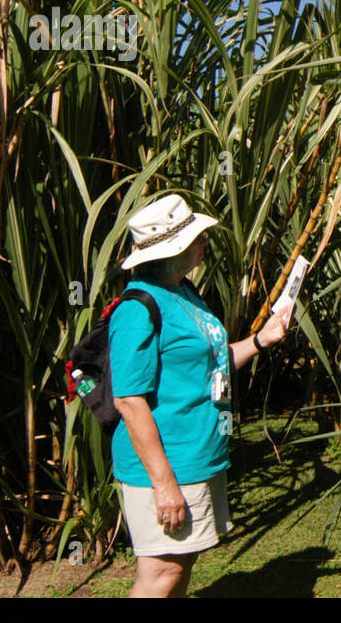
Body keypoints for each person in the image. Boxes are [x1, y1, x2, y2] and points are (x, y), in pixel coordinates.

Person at [110, 193, 291, 597]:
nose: (204, 242)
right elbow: (128, 400)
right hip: (165, 466)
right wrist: (164, 483)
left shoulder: (184, 292)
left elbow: (212, 361)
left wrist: (261, 340)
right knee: (162, 572)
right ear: (172, 250)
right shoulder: (138, 309)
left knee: (180, 563)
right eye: (196, 238)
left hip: (196, 458)